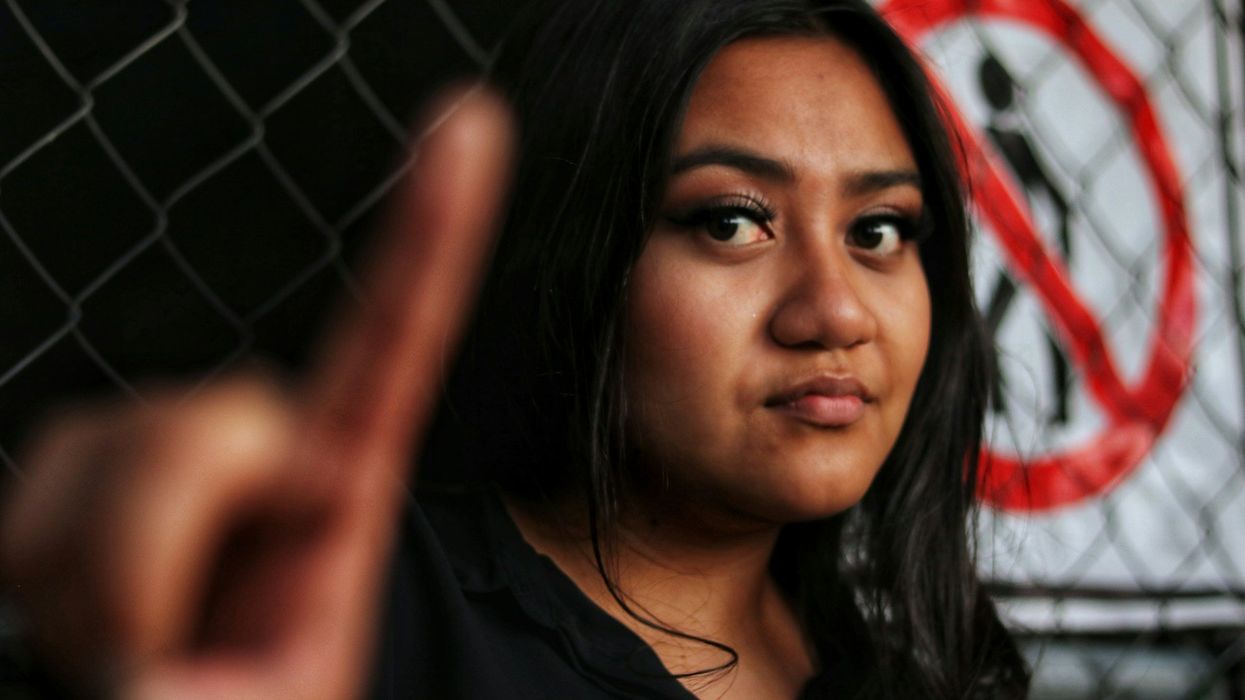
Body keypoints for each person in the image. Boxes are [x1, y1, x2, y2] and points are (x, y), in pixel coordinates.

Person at [0, 0, 1030, 697]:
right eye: (730, 221)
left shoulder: (913, 668)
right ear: (582, 254)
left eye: (880, 230)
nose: (835, 311)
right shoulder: (366, 613)